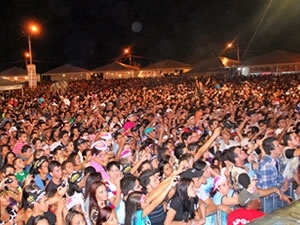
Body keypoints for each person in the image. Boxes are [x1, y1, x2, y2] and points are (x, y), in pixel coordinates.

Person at [255, 137, 291, 213]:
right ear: (271, 150)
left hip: (277, 194)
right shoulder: (266, 165)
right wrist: (281, 195)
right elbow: (267, 188)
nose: (281, 147)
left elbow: (279, 176)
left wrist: (285, 181)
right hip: (269, 199)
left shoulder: (277, 159)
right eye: (278, 146)